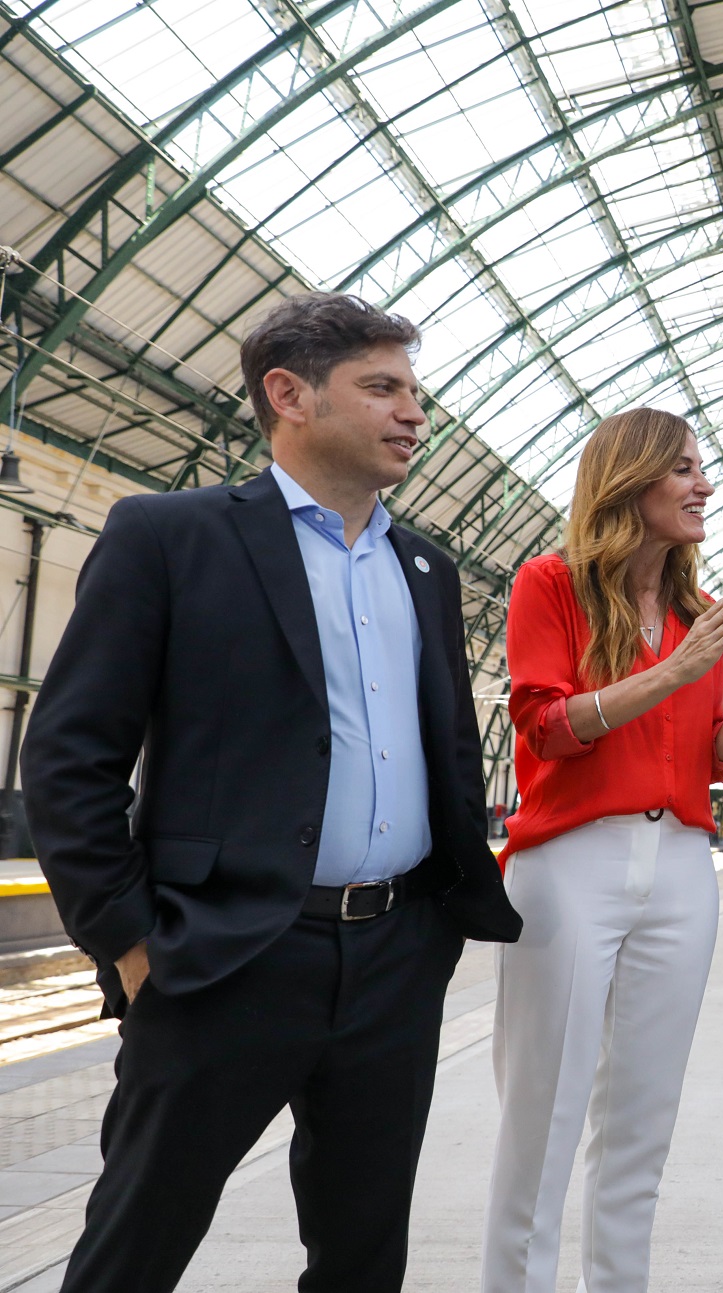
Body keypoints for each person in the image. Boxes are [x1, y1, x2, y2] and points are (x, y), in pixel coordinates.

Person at [22, 292, 523, 1292]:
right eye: (381, 387)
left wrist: (438, 920)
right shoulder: (172, 535)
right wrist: (128, 940)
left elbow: (453, 752)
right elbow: (69, 755)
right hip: (224, 956)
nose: (413, 413)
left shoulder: (424, 564)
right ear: (287, 394)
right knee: (135, 1246)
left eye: (414, 390)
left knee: (361, 1255)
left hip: (394, 954)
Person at [481, 408, 723, 1293]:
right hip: (571, 865)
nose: (704, 485)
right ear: (631, 478)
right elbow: (543, 726)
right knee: (545, 1115)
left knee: (641, 1122)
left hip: (680, 867)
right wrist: (673, 672)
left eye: (703, 468)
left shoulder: (696, 612)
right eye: (683, 469)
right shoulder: (549, 584)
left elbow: (708, 761)